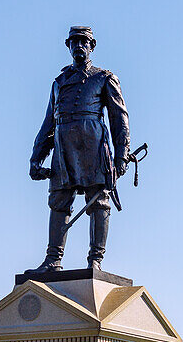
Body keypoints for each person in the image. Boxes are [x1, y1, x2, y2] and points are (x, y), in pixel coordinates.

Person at [27, 26, 130, 273]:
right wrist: (36, 158)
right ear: (68, 46)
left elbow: (119, 118)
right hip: (64, 149)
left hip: (93, 146)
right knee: (59, 201)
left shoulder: (103, 78)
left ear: (92, 46)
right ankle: (53, 260)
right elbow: (48, 123)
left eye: (84, 41)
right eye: (74, 42)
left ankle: (95, 259)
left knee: (99, 202)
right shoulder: (59, 82)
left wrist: (121, 156)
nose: (79, 46)